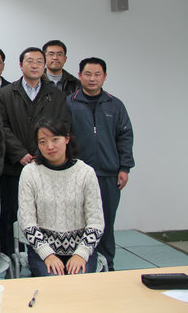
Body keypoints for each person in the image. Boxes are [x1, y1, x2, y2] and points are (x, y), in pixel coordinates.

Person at [0, 47, 70, 257]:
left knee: (44, 215)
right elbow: (0, 127)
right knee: (11, 215)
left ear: (44, 66)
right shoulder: (6, 93)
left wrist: (41, 153)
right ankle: (12, 258)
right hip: (14, 167)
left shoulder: (55, 95)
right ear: (21, 65)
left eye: (39, 61)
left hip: (46, 167)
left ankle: (42, 257)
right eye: (30, 61)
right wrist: (19, 153)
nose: (35, 65)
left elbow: (62, 126)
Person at [67, 57, 134, 271]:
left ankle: (107, 265)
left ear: (104, 77)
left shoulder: (115, 105)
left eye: (97, 74)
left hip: (108, 173)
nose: (92, 78)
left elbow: (125, 137)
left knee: (105, 222)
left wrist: (124, 168)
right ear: (80, 76)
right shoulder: (69, 103)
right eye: (88, 74)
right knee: (78, 222)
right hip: (77, 174)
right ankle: (81, 264)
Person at [18, 117, 104, 276]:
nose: (49, 146)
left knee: (78, 282)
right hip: (42, 252)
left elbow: (96, 222)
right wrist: (48, 254)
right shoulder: (30, 173)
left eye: (55, 139)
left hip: (80, 250)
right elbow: (27, 221)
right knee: (54, 282)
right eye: (42, 142)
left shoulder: (86, 173)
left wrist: (81, 254)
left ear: (67, 139)